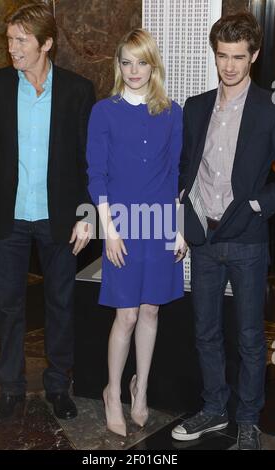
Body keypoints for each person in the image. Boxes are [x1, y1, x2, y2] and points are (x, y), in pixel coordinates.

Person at [0, 3, 95, 421]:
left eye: (21, 41)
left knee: (60, 304)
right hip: (7, 217)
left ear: (46, 44)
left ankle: (58, 386)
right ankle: (10, 386)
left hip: (60, 218)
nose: (12, 48)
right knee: (8, 305)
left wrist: (88, 214)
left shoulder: (78, 90)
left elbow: (89, 161)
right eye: (9, 39)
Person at [171, 12, 275, 450]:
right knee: (205, 331)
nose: (229, 66)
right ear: (214, 56)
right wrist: (181, 223)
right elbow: (185, 171)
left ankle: (248, 420)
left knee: (252, 338)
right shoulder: (195, 107)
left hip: (248, 241)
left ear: (253, 56)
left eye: (238, 56)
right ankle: (214, 409)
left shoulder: (270, 109)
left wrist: (259, 204)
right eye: (222, 56)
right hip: (204, 238)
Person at [86, 28, 186, 437]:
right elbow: (98, 176)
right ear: (118, 65)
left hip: (160, 224)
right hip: (122, 226)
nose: (134, 70)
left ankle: (139, 389)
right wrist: (108, 231)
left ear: (153, 65)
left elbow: (175, 174)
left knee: (151, 310)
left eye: (141, 62)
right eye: (126, 62)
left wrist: (178, 231)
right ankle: (113, 391)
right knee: (125, 314)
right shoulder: (104, 112)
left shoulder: (171, 112)